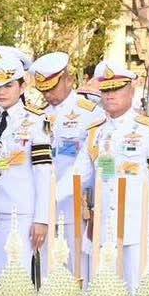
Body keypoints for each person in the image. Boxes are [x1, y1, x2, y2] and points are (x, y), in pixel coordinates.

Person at [73, 61, 149, 291]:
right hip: (104, 230)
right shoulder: (96, 132)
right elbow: (79, 176)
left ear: (131, 90)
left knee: (138, 295)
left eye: (117, 88)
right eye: (106, 90)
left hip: (138, 229)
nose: (110, 95)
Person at [32, 52, 105, 274]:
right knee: (47, 275)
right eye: (43, 90)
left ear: (69, 80)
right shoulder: (37, 116)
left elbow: (92, 167)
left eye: (52, 88)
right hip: (42, 210)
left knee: (78, 273)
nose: (48, 95)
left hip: (75, 208)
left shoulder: (90, 114)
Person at [0, 56, 52, 278]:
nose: (1, 92)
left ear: (22, 87)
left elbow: (43, 172)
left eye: (8, 86)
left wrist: (41, 218)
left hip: (21, 212)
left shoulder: (37, 120)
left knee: (16, 277)